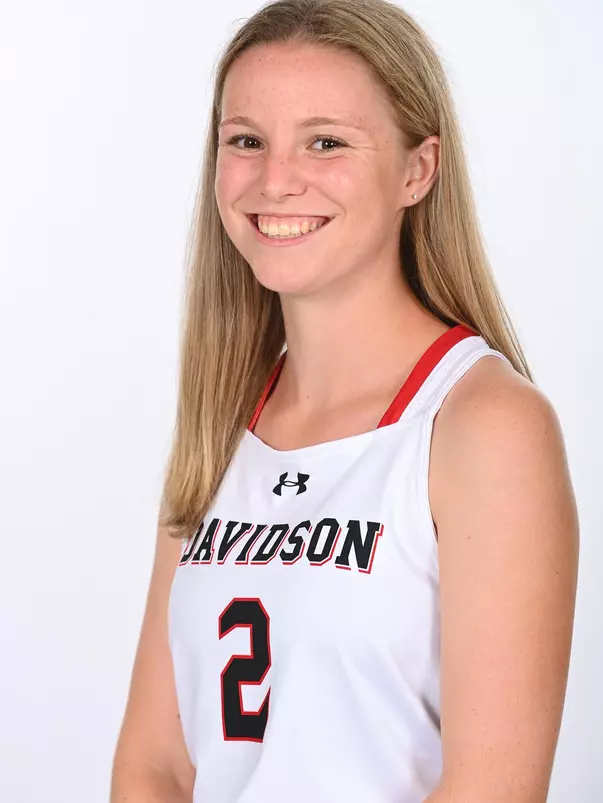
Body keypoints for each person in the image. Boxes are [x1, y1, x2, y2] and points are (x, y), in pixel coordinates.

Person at [110, 1, 579, 801]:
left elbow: (492, 789)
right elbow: (154, 764)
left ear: (415, 169)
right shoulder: (218, 425)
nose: (275, 179)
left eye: (325, 141)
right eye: (245, 140)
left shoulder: (483, 426)